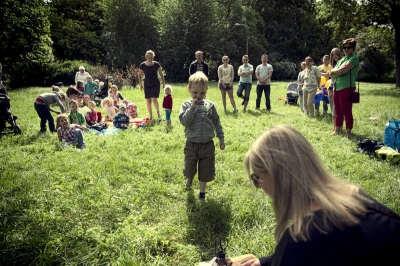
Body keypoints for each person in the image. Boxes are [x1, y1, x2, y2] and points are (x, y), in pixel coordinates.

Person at [236, 124, 400, 266]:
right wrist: (266, 262)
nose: (260, 187)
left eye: (257, 178)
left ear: (275, 175)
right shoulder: (356, 195)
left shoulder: (300, 240)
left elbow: (305, 254)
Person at [179, 71, 225, 203]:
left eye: (202, 93)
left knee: (206, 170)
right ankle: (189, 180)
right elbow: (184, 122)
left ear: (207, 90)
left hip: (207, 144)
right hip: (192, 144)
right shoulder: (186, 105)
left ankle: (202, 194)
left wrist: (221, 138)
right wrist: (193, 107)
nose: (198, 96)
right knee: (189, 168)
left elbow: (217, 122)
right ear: (189, 90)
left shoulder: (210, 105)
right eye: (195, 93)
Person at [330, 38, 359, 138]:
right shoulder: (342, 60)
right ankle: (337, 130)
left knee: (347, 111)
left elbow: (341, 71)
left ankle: (348, 133)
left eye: (349, 47)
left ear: (353, 48)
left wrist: (335, 71)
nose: (346, 49)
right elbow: (332, 72)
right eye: (344, 47)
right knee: (338, 111)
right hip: (336, 87)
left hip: (347, 87)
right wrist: (335, 71)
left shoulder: (354, 58)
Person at [138, 50, 166, 120]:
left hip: (155, 84)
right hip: (147, 84)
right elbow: (139, 75)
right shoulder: (142, 65)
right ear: (146, 57)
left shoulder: (156, 64)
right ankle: (150, 116)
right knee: (148, 101)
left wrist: (163, 83)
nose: (150, 59)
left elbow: (161, 74)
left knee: (154, 99)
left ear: (153, 57)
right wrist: (140, 84)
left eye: (151, 58)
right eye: (148, 58)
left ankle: (158, 112)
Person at [328, 48, 343, 131]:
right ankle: (334, 127)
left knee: (337, 109)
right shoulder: (332, 65)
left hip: (339, 88)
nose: (335, 56)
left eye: (336, 54)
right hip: (331, 88)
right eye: (333, 55)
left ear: (339, 54)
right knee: (332, 109)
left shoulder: (342, 65)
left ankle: (338, 127)